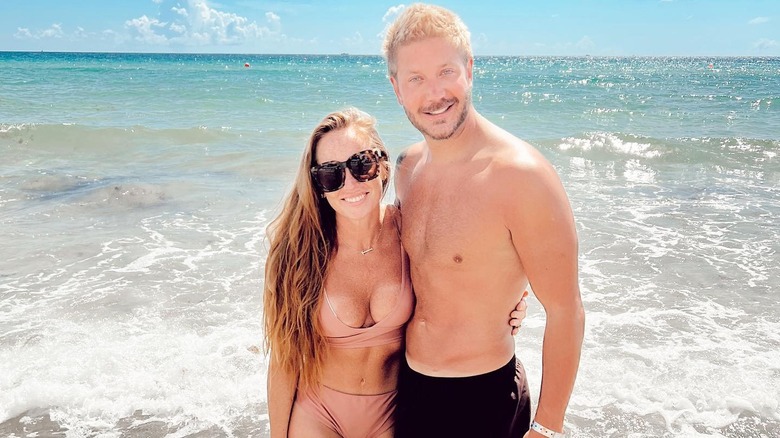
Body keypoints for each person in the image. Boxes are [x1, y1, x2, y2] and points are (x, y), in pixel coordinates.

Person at [383, 4, 585, 438]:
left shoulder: (521, 176)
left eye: (446, 72)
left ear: (470, 69)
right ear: (397, 89)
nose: (434, 93)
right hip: (409, 391)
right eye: (415, 78)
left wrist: (548, 427)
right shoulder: (405, 169)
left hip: (484, 400)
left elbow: (566, 309)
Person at [263, 107, 527, 438]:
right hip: (318, 413)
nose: (350, 183)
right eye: (331, 174)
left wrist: (508, 306)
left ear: (382, 165)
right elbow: (284, 360)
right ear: (318, 185)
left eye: (362, 164)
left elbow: (467, 276)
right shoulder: (299, 251)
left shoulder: (410, 233)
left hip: (394, 413)